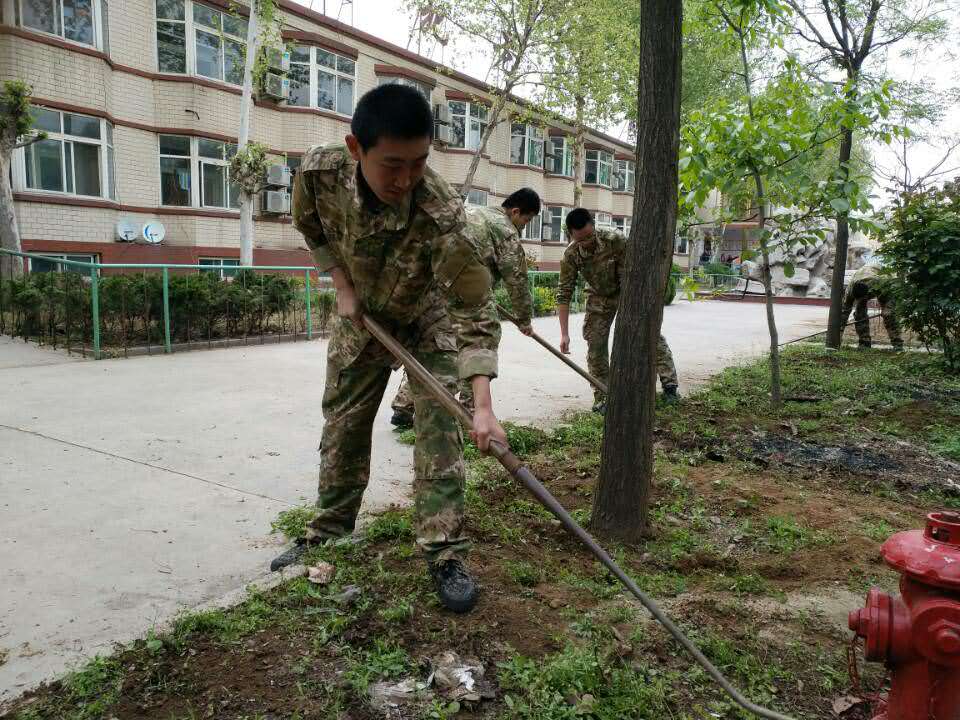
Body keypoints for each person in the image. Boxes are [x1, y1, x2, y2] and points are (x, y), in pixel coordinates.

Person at [273, 84, 507, 614]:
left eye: (419, 163)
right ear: (356, 149)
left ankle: (443, 550)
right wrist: (340, 283)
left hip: (428, 319)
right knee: (344, 421)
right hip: (363, 318)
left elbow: (473, 308)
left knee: (439, 430)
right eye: (392, 165)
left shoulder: (441, 212)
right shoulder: (319, 173)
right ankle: (329, 530)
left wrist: (484, 406)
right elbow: (309, 225)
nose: (405, 180)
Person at [390, 188, 541, 426]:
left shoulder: (472, 212)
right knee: (479, 344)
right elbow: (517, 280)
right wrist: (524, 319)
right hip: (465, 293)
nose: (524, 226)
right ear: (515, 212)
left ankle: (404, 404)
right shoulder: (505, 230)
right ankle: (471, 413)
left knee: (434, 345)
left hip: (432, 286)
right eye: (527, 220)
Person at [556, 208, 680, 413]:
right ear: (571, 235)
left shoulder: (615, 239)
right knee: (595, 346)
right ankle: (603, 395)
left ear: (593, 227)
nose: (586, 243)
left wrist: (633, 305)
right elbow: (564, 293)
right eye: (580, 240)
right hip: (599, 297)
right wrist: (564, 334)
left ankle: (670, 387)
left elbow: (632, 273)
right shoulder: (571, 254)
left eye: (589, 237)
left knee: (651, 334)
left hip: (626, 292)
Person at [840, 260, 903, 349]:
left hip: (885, 279)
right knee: (859, 313)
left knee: (889, 314)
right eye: (857, 299)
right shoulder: (849, 290)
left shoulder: (880, 282)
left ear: (868, 293)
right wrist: (836, 338)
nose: (859, 301)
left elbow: (888, 300)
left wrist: (886, 310)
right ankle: (864, 343)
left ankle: (897, 344)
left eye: (862, 299)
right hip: (863, 276)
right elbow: (843, 312)